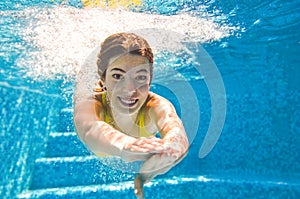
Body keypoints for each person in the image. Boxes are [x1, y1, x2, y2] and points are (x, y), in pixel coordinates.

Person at [73, 32, 189, 199]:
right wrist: (126, 146)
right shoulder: (91, 104)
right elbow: (90, 128)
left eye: (140, 77)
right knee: (81, 85)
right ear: (103, 78)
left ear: (150, 79)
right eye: (117, 76)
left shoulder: (156, 105)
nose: (129, 89)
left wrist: (170, 151)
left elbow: (176, 132)